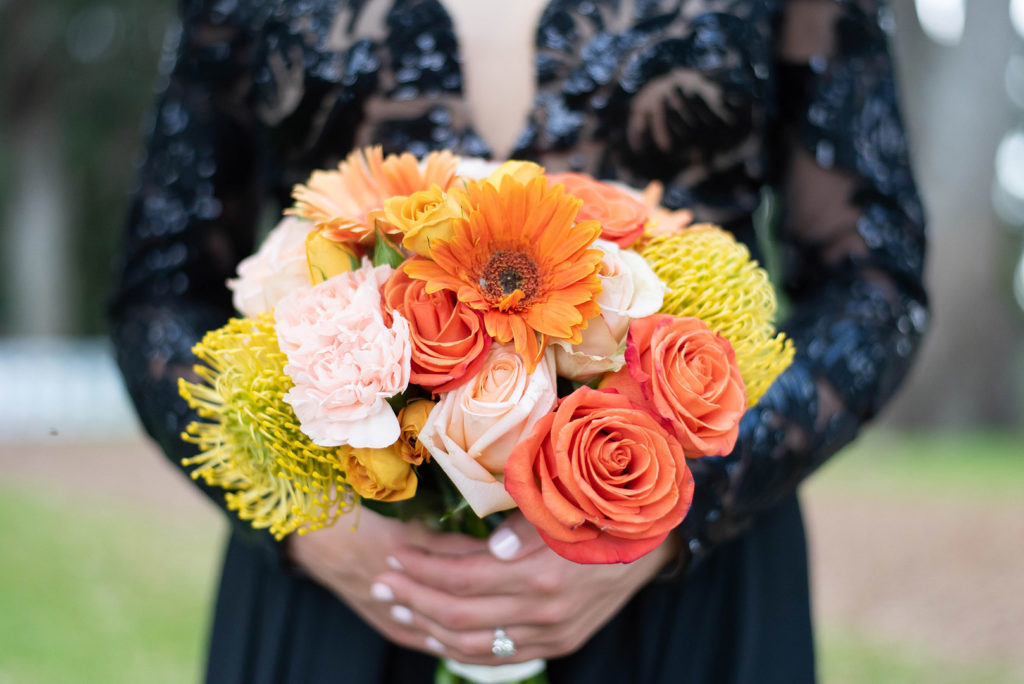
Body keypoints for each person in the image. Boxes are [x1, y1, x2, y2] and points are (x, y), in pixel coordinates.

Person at [110, 0, 928, 681]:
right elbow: (159, 297)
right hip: (348, 591)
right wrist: (306, 525)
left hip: (684, 593)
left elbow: (875, 287)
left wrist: (677, 516)